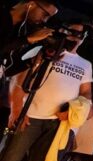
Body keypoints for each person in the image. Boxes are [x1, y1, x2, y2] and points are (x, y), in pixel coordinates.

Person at [0, 20, 93, 161]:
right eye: (70, 31)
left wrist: (75, 110)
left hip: (57, 125)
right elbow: (18, 80)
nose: (73, 36)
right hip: (30, 117)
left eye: (78, 34)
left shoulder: (85, 64)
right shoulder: (43, 52)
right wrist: (17, 110)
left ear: (83, 39)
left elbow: (86, 94)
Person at [2, 0, 58, 128]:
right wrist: (27, 39)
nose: (45, 20)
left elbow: (6, 69)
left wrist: (31, 62)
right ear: (31, 4)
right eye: (45, 14)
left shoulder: (18, 30)